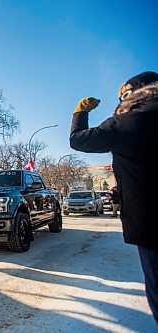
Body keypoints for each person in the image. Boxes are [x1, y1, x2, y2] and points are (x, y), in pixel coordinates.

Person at [69, 71, 158, 323]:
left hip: (150, 221)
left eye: (122, 96)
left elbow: (78, 140)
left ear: (130, 95)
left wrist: (80, 112)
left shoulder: (125, 123)